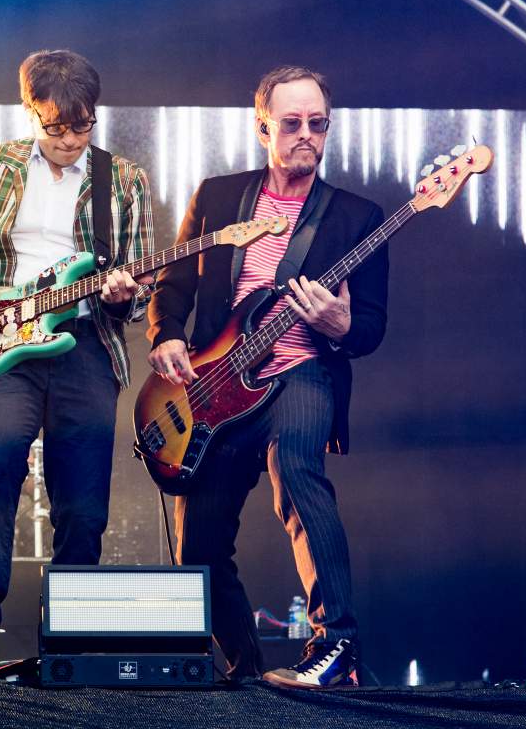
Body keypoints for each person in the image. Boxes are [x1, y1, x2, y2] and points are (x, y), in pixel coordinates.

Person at [0, 49, 155, 676]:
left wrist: (125, 294)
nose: (71, 140)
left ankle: (69, 638)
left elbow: (141, 288)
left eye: (83, 126)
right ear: (30, 112)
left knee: (83, 500)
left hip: (87, 345)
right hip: (6, 348)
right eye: (56, 127)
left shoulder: (123, 180)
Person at [147, 66, 388, 688]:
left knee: (300, 476)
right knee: (198, 546)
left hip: (301, 373)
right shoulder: (217, 197)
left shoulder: (357, 216)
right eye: (292, 122)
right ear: (263, 128)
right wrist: (167, 334)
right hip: (216, 383)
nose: (306, 134)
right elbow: (174, 283)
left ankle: (336, 646)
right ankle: (244, 669)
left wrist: (339, 323)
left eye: (318, 123)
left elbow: (370, 329)